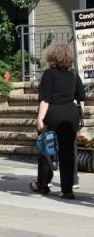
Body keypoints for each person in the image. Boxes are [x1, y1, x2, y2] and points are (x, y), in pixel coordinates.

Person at [30, 43, 86, 199]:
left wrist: (40, 119)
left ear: (53, 56)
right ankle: (67, 190)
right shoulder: (74, 75)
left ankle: (43, 184)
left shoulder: (49, 74)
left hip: (53, 115)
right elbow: (81, 98)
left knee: (46, 149)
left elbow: (45, 100)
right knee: (67, 153)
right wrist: (80, 116)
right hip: (70, 116)